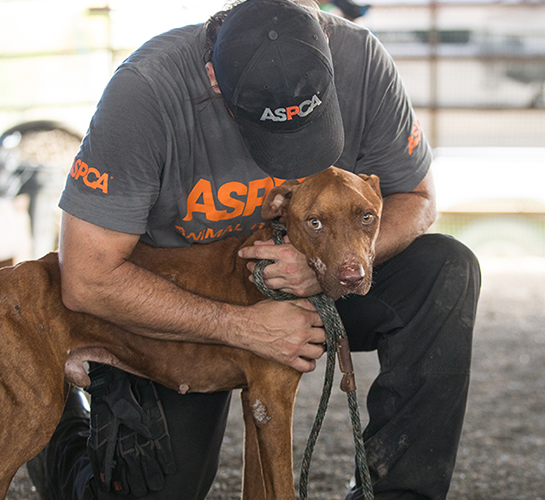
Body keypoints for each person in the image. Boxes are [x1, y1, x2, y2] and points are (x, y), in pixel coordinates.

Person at [27, 0, 481, 499]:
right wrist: (244, 327)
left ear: (327, 51)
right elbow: (87, 276)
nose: (298, 156)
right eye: (277, 138)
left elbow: (417, 198)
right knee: (156, 491)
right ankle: (51, 418)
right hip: (186, 302)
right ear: (214, 80)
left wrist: (321, 264)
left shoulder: (361, 58)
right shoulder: (146, 91)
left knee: (446, 269)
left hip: (321, 277)